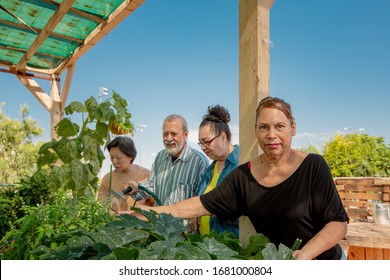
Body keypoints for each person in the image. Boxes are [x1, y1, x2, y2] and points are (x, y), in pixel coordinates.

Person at [124, 97, 349, 260]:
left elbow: (338, 223)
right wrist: (148, 213)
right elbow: (199, 205)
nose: (272, 135)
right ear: (256, 131)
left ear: (293, 128)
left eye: (279, 126)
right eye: (264, 127)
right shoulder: (244, 176)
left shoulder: (313, 165)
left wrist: (305, 255)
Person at [142, 114, 209, 231]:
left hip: (185, 233)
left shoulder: (199, 162)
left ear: (186, 134)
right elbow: (151, 187)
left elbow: (202, 200)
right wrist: (136, 188)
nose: (168, 138)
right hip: (160, 229)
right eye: (165, 134)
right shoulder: (160, 157)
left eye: (174, 134)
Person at [197, 105, 239, 237]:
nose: (203, 148)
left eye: (207, 142)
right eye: (200, 143)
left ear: (223, 137)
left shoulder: (241, 165)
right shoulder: (209, 170)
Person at [98, 136, 150, 214]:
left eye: (118, 157)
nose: (114, 161)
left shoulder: (146, 174)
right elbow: (100, 205)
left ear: (130, 156)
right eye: (111, 157)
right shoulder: (107, 179)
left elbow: (155, 204)